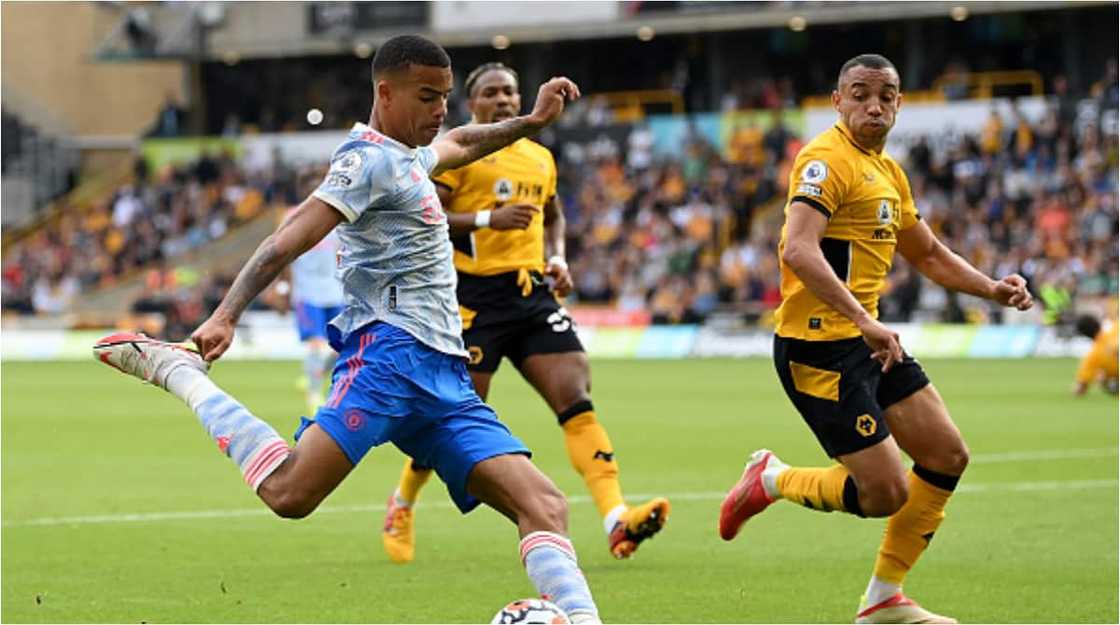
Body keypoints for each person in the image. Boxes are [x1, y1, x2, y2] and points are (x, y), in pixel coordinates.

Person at [93, 35, 602, 623]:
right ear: (385, 93)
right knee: (290, 494)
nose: (441, 109)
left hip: (445, 378)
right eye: (427, 97)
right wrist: (226, 313)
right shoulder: (365, 160)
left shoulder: (412, 153)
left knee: (545, 505)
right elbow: (290, 237)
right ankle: (178, 373)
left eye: (444, 95)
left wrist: (532, 120)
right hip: (388, 358)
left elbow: (461, 141)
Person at [717, 54, 1033, 624]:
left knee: (946, 455)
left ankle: (884, 599)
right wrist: (863, 319)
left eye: (885, 95)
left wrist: (993, 289)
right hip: (820, 348)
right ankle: (771, 478)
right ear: (838, 101)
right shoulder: (824, 160)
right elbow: (797, 249)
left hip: (870, 342)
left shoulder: (888, 171)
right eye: (860, 93)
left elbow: (928, 253)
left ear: (899, 103)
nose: (874, 105)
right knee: (887, 493)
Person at [380, 62, 670, 564]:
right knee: (453, 415)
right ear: (473, 105)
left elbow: (553, 218)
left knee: (575, 397)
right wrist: (491, 218)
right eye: (491, 93)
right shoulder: (459, 156)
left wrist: (556, 257)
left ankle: (615, 518)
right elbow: (428, 217)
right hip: (472, 299)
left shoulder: (540, 158)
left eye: (510, 92)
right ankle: (401, 503)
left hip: (532, 293)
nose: (504, 100)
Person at [284, 171, 345, 415]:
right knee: (316, 344)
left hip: (335, 291)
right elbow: (282, 253)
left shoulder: (337, 217)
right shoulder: (292, 217)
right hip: (307, 293)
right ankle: (313, 391)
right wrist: (283, 287)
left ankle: (315, 373)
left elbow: (343, 252)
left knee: (339, 345)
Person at [1072, 314, 1119, 396]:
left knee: (1103, 380)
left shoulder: (1092, 356)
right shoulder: (1116, 327)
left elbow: (1080, 389)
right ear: (1097, 322)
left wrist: (1103, 382)